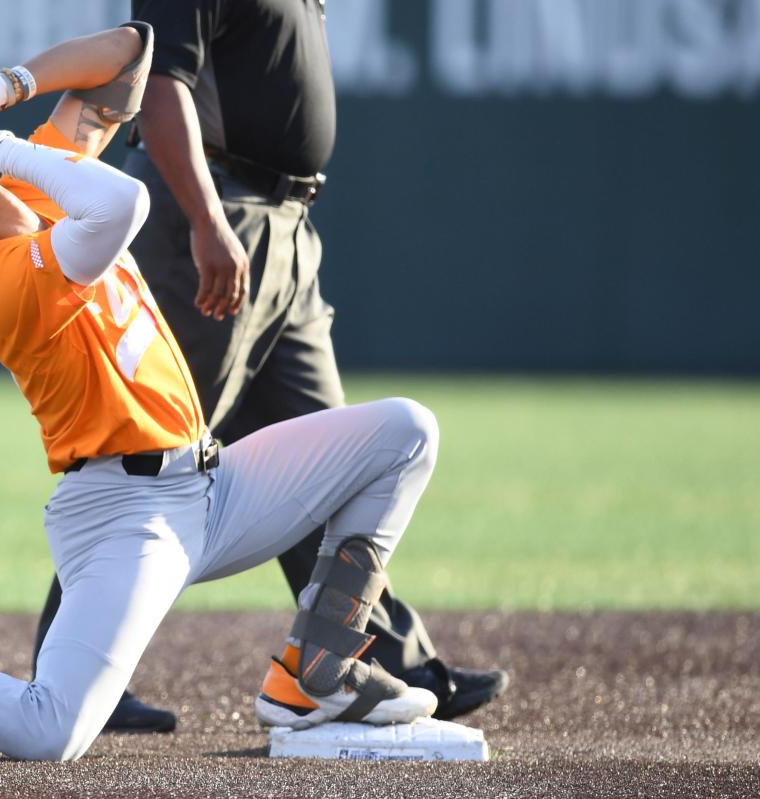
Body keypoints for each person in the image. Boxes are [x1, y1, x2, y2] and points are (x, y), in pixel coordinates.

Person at [0, 23, 441, 763]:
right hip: (125, 517)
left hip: (211, 485)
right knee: (51, 730)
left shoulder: (28, 187)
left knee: (405, 433)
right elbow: (124, 206)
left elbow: (132, 55)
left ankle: (316, 673)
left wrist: (2, 86)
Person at [28, 0, 509, 730]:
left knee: (330, 454)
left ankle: (380, 655)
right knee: (145, 452)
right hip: (213, 218)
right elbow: (161, 84)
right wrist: (205, 220)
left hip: (285, 228)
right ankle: (69, 664)